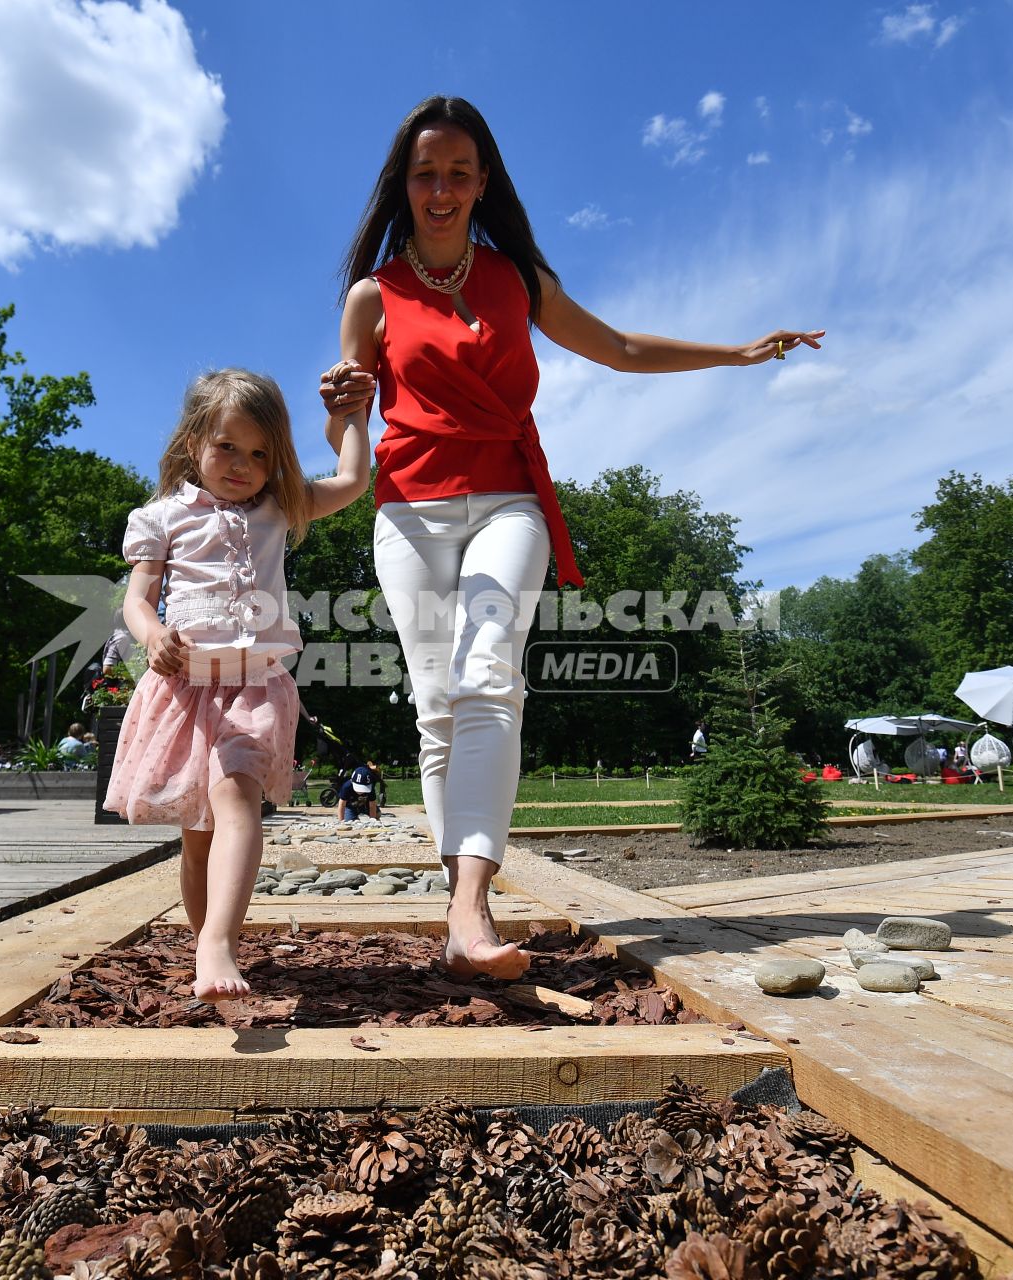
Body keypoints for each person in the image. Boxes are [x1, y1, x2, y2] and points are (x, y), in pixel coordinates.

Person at [320, 95, 821, 978]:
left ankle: (471, 910)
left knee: (488, 677)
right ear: (405, 184)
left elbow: (621, 347)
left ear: (483, 184)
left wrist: (738, 353)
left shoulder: (517, 279)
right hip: (406, 510)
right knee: (437, 708)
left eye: (459, 173)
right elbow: (352, 440)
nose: (442, 189)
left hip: (509, 499)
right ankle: (458, 911)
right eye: (426, 173)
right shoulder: (372, 297)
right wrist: (341, 416)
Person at [105, 368, 369, 999]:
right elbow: (137, 601)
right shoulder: (163, 517)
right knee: (196, 840)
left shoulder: (279, 509)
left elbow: (355, 481)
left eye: (260, 453)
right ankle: (208, 947)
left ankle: (219, 942)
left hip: (254, 685)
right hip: (185, 690)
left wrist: (356, 414)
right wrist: (152, 636)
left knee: (238, 801)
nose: (243, 465)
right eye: (227, 446)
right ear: (195, 439)